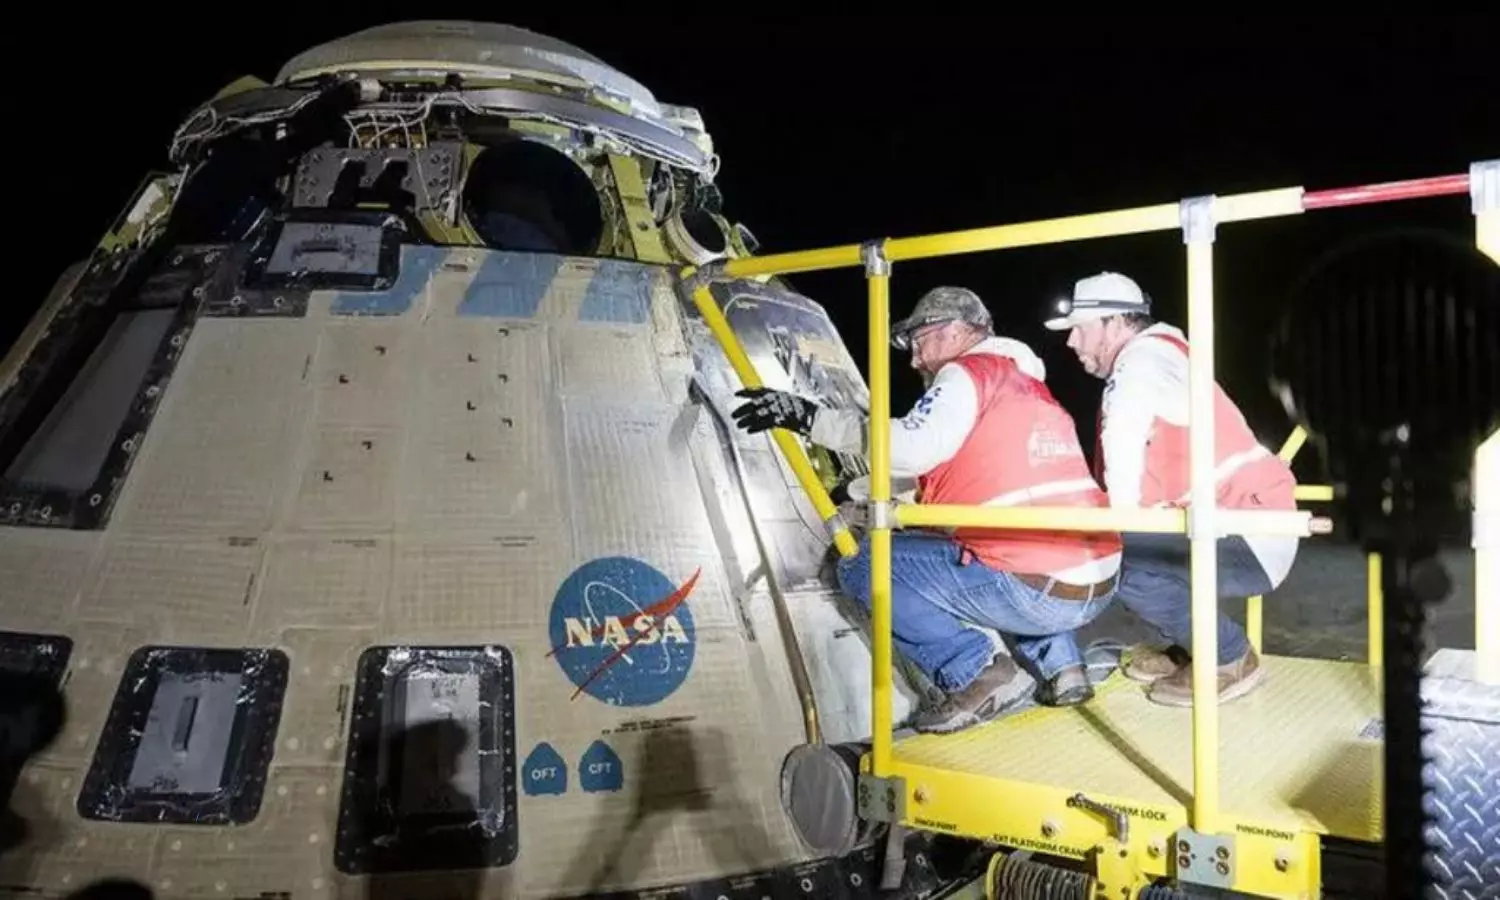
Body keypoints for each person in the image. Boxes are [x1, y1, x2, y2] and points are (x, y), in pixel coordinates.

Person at [731, 286, 1122, 733]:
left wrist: (808, 418)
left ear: (957, 331)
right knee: (1015, 547)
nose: (915, 359)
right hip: (1096, 577)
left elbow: (915, 448)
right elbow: (956, 474)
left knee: (866, 564)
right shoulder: (1025, 386)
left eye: (921, 341)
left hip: (1036, 589)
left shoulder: (966, 374)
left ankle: (975, 672)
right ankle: (1064, 669)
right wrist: (862, 490)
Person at [1044, 271, 1299, 706]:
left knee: (1123, 564)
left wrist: (1114, 529)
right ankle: (1192, 649)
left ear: (1114, 323)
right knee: (1138, 553)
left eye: (1079, 330)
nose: (1071, 344)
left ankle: (1229, 658)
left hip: (1248, 529)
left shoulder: (1139, 365)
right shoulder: (1166, 356)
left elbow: (1122, 449)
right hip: (1248, 519)